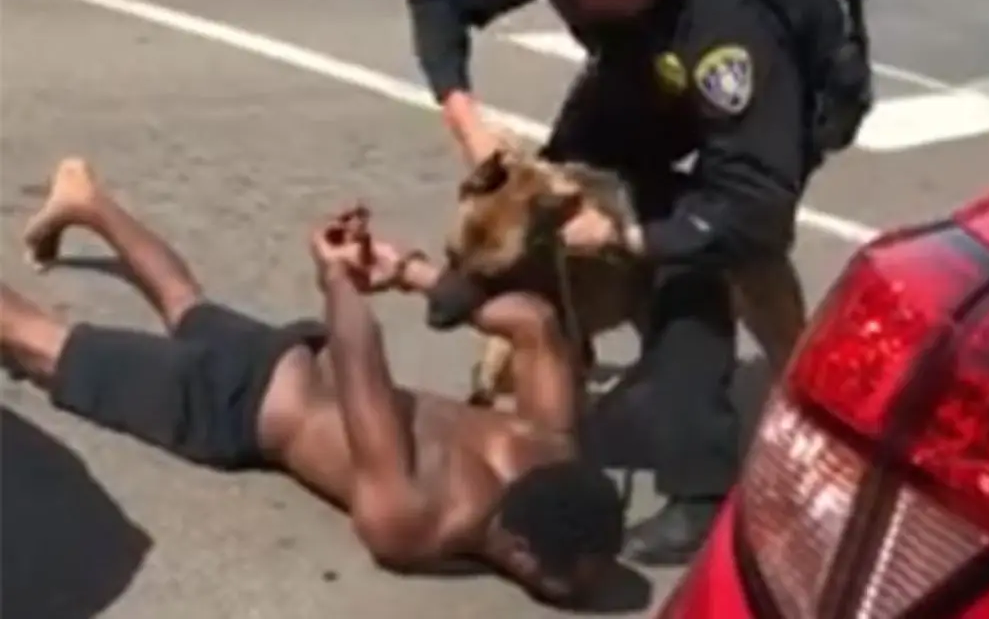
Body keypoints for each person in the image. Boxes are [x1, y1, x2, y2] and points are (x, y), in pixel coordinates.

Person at [406, 0, 873, 564]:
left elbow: (751, 205)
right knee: (552, 208)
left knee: (696, 262)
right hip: (645, 62)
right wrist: (465, 119)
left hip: (784, 98)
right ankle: (556, 375)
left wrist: (629, 233)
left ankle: (711, 479)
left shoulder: (735, 20)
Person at [0, 158, 624, 605]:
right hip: (235, 406)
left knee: (187, 305)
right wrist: (339, 282)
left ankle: (86, 200)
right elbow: (365, 393)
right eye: (557, 589)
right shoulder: (420, 524)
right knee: (35, 343)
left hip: (299, 358)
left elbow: (535, 326)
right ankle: (82, 208)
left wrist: (410, 273)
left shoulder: (551, 440)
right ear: (519, 553)